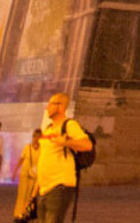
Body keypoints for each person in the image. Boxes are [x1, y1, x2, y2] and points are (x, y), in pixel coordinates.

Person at [30, 93, 92, 223]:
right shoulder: (47, 129)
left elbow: (87, 145)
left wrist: (65, 142)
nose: (47, 108)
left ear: (61, 106)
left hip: (60, 184)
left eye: (51, 104)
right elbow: (44, 158)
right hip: (44, 187)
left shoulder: (69, 125)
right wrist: (35, 191)